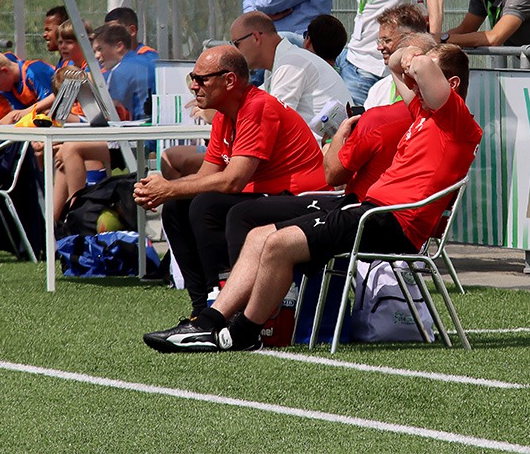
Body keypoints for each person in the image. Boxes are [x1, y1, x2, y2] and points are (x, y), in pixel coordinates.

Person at [143, 43, 482, 353]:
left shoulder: (456, 120)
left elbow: (417, 65)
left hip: (392, 221)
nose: (413, 82)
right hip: (369, 210)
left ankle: (243, 332)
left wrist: (415, 56)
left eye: (423, 76)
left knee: (278, 244)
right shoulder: (424, 113)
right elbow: (395, 65)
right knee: (259, 236)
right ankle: (208, 321)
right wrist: (405, 56)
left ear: (450, 85)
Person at [133, 45, 329, 317]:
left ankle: (224, 303)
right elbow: (206, 176)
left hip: (304, 199)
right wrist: (162, 191)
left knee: (207, 206)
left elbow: (233, 182)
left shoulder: (257, 106)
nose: (194, 86)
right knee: (177, 207)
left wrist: (169, 188)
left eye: (201, 79)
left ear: (229, 80)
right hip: (271, 196)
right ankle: (201, 310)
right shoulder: (226, 116)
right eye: (192, 78)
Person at [222, 31, 438, 266]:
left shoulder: (385, 119)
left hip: (366, 211)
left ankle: (228, 288)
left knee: (259, 228)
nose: (381, 47)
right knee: (256, 225)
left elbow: (334, 175)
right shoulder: (431, 122)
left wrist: (336, 140)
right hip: (385, 215)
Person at [50, 24, 156, 221]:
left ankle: (78, 214)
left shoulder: (120, 71)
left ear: (119, 46)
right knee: (67, 151)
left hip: (142, 141)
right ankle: (56, 223)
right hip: (138, 135)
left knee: (71, 149)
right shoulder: (140, 62)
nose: (97, 56)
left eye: (100, 49)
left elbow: (113, 113)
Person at [228, 10, 350, 127]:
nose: (235, 51)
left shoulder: (291, 64)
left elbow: (272, 123)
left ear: (255, 37)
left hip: (330, 141)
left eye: (236, 43)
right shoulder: (281, 64)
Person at [363, 4, 433, 109]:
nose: (379, 47)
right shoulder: (379, 89)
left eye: (387, 40)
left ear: (409, 39)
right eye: (379, 41)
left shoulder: (433, 90)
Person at [0, 48, 56, 124]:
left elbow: (54, 98)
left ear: (5, 71)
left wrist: (27, 111)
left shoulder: (34, 71)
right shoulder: (10, 87)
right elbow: (19, 115)